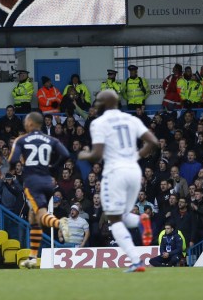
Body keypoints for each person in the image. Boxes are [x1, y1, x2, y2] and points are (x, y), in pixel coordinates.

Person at [78, 88, 158, 272]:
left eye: (98, 101)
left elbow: (97, 155)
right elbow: (153, 142)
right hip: (133, 171)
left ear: (105, 104)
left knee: (114, 221)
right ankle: (141, 220)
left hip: (115, 173)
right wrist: (136, 156)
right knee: (122, 215)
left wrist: (84, 155)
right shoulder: (131, 119)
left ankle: (136, 261)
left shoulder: (99, 123)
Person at [10, 111, 71, 269]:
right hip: (47, 181)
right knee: (33, 218)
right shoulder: (50, 139)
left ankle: (59, 223)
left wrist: (13, 169)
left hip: (32, 182)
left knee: (41, 214)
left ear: (30, 123)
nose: (24, 123)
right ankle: (32, 257)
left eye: (25, 121)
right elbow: (65, 154)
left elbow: (13, 159)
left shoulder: (22, 139)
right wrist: (53, 167)